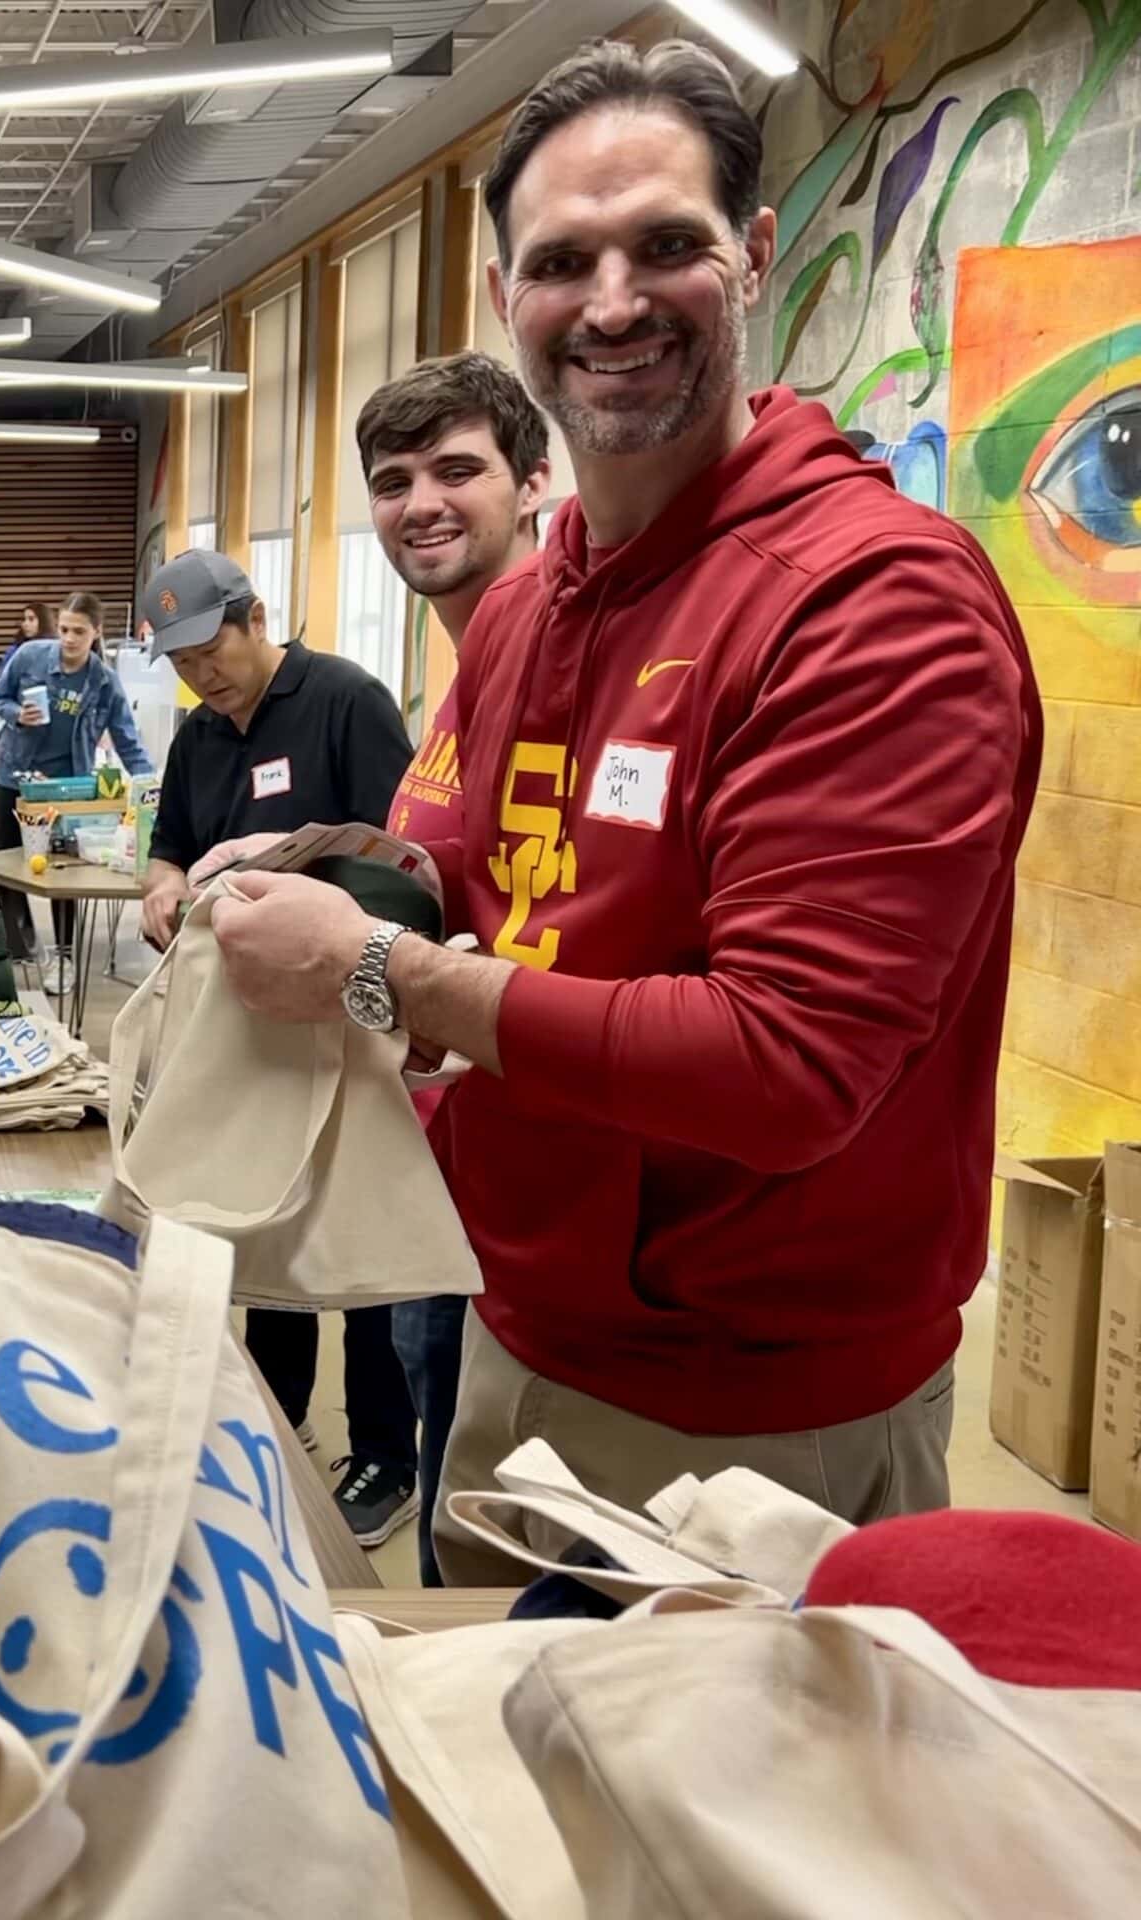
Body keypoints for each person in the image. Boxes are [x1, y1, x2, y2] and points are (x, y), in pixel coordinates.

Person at [199, 38, 1039, 1585]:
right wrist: (323, 866)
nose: (611, 303)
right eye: (562, 261)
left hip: (757, 1411)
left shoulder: (873, 606)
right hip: (517, 1330)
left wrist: (376, 971)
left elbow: (787, 1062)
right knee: (483, 1803)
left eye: (668, 246)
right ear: (507, 293)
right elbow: (469, 874)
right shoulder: (536, 606)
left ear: (758, 255)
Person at [135, 546, 418, 1545]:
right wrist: (162, 885)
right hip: (245, 1024)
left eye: (210, 651)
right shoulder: (198, 739)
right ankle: (275, 1416)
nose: (200, 677)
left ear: (256, 618)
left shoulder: (344, 701)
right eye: (179, 664)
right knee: (266, 1225)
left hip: (346, 1017)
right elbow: (167, 842)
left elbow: (401, 861)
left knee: (358, 1241)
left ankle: (388, 1454)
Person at [352, 350, 552, 1584]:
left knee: (496, 1556)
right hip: (444, 1167)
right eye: (392, 479)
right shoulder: (460, 683)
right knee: (446, 1516)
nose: (420, 501)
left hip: (537, 1212)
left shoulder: (565, 673)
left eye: (456, 469)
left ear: (533, 483)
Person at [0, 590, 155, 988]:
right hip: (15, 777)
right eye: (64, 628)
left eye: (79, 631)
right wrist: (17, 715)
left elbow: (127, 741)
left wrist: (151, 788)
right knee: (8, 868)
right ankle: (19, 947)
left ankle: (63, 957)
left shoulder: (104, 682)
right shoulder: (30, 657)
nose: (68, 638)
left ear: (96, 632)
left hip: (68, 790)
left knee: (63, 877)